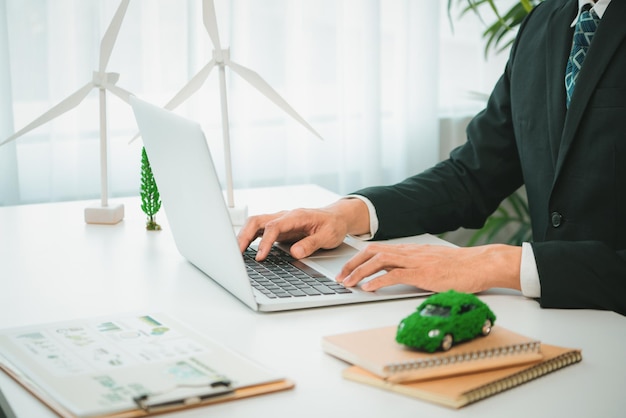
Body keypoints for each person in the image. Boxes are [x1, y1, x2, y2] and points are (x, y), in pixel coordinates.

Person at [237, 0, 626, 316]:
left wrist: (498, 264)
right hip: (557, 324)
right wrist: (345, 215)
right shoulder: (546, 22)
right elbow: (471, 176)